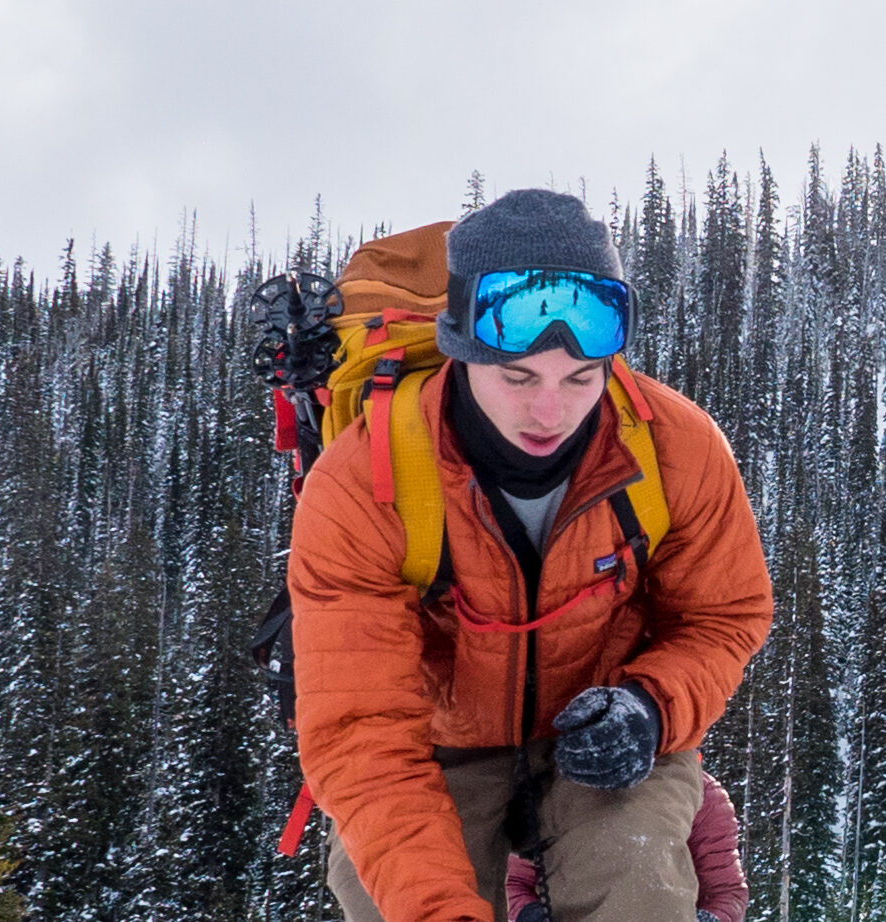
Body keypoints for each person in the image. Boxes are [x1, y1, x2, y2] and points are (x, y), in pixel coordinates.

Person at [287, 189, 773, 922]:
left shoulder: (678, 448)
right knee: (387, 895)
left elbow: (725, 615)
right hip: (435, 749)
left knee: (639, 882)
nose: (551, 412)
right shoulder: (363, 481)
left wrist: (652, 705)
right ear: (459, 349)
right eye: (518, 378)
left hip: (607, 728)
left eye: (581, 379)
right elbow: (363, 732)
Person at [506, 768, 749, 922]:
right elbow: (513, 883)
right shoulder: (551, 789)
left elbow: (726, 893)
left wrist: (706, 920)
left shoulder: (704, 797)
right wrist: (531, 916)